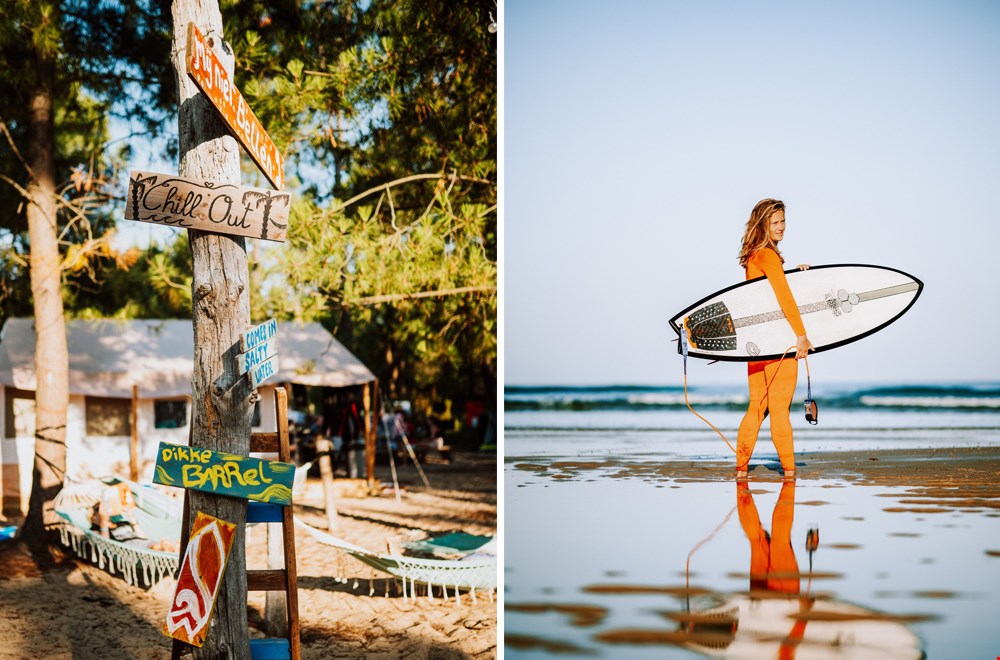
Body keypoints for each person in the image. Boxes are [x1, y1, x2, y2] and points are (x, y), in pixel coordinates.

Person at [736, 199, 814, 479]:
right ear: (763, 225)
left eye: (783, 222)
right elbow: (782, 298)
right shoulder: (768, 256)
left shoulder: (755, 256)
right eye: (775, 223)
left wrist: (797, 277)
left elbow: (765, 299)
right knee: (780, 411)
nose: (781, 227)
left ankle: (741, 472)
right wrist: (801, 336)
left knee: (756, 408)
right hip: (778, 343)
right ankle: (790, 474)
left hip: (756, 344)